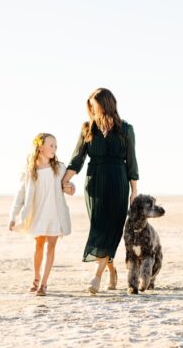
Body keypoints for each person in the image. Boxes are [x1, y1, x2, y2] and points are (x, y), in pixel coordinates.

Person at [62, 88, 139, 294]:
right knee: (99, 229)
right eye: (90, 107)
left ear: (106, 105)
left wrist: (134, 191)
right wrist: (63, 181)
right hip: (94, 182)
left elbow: (131, 161)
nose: (92, 110)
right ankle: (111, 270)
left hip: (118, 182)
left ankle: (96, 277)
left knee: (111, 228)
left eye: (95, 106)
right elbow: (77, 159)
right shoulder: (88, 128)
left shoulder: (126, 129)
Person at [8, 133, 75, 296]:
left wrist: (71, 187)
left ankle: (44, 284)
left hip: (55, 214)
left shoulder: (60, 168)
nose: (54, 149)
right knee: (38, 245)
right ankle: (36, 278)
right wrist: (13, 215)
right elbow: (21, 194)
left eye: (56, 146)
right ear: (40, 147)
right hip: (38, 214)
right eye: (51, 145)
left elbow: (69, 186)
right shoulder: (30, 170)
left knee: (51, 246)